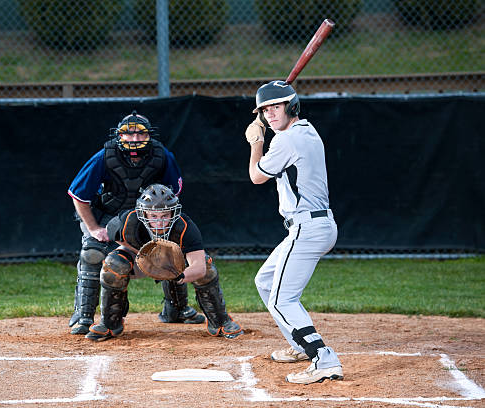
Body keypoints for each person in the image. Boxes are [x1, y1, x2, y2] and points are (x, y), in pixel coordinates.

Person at [67, 111, 204, 335]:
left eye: (139, 134)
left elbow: (173, 193)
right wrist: (94, 228)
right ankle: (83, 315)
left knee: (168, 250)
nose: (133, 139)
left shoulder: (162, 155)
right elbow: (78, 195)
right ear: (118, 136)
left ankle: (177, 309)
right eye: (127, 134)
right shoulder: (104, 156)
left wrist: (160, 225)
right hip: (107, 215)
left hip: (146, 217)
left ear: (149, 136)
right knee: (92, 253)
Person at [244, 80, 343, 384]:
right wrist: (267, 129)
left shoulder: (286, 141)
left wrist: (255, 141)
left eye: (277, 107)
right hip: (313, 225)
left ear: (292, 106)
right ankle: (300, 345)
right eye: (265, 109)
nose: (271, 114)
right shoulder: (306, 130)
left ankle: (323, 359)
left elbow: (256, 176)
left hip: (308, 227)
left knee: (281, 300)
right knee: (264, 281)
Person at [85, 183, 243, 342]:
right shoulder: (127, 221)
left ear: (173, 213)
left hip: (175, 262)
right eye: (153, 216)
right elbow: (118, 238)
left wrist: (178, 275)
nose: (159, 222)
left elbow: (199, 268)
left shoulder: (185, 227)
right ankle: (110, 323)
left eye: (164, 215)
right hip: (141, 257)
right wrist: (146, 256)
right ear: (143, 213)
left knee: (207, 265)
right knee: (114, 264)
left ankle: (220, 321)